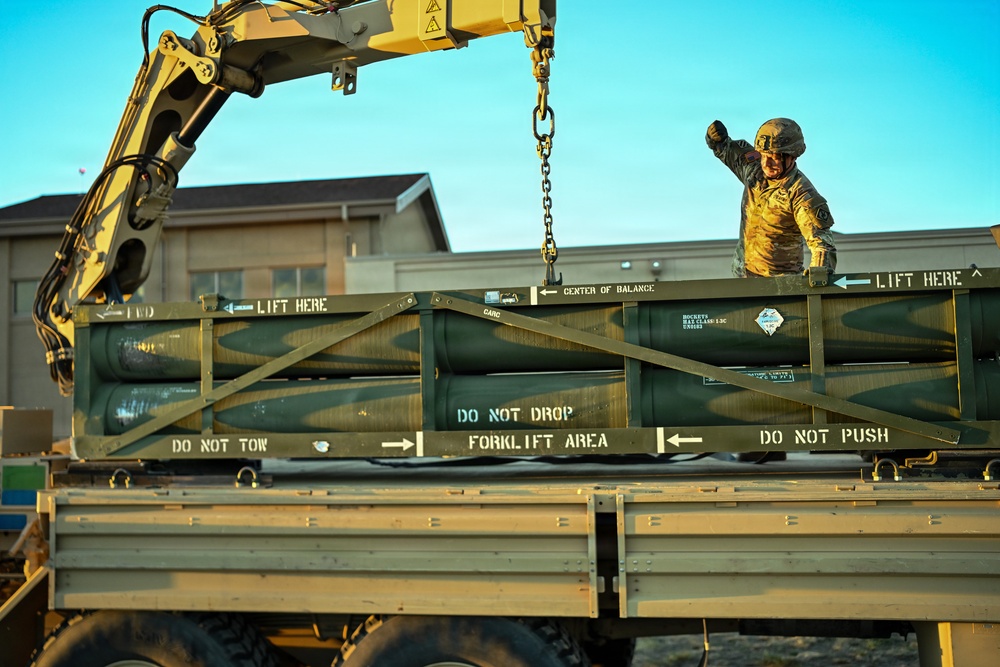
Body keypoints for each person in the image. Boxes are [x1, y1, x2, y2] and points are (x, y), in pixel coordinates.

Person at [706, 118, 836, 277]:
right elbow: (726, 150)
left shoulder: (801, 194)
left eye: (774, 157)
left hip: (780, 289)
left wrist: (819, 273)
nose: (766, 163)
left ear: (792, 156)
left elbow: (821, 244)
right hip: (741, 282)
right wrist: (717, 139)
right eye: (763, 155)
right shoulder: (754, 170)